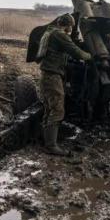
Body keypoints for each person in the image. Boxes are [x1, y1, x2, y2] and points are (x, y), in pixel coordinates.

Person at [36, 13, 91, 156]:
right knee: (58, 109)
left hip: (47, 75)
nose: (71, 29)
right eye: (71, 27)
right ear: (67, 26)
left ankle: (46, 140)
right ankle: (51, 146)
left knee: (49, 108)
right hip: (52, 76)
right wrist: (90, 56)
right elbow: (75, 51)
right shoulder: (59, 35)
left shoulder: (49, 33)